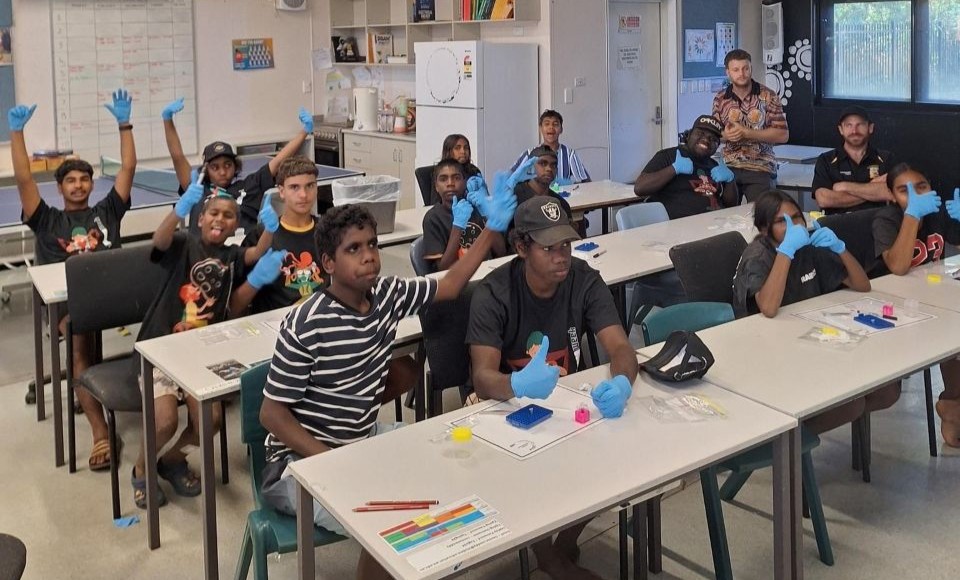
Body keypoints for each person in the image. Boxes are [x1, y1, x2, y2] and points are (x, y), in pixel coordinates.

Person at [258, 164, 520, 580]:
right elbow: (271, 415)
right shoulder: (307, 322)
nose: (369, 257)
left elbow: (449, 285)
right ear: (327, 262)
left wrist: (492, 227)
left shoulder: (387, 294)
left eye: (373, 246)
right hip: (296, 463)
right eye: (354, 249)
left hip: (360, 440)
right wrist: (332, 461)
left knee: (447, 464)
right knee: (387, 524)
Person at [466, 196, 639, 580]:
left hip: (563, 403)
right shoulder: (494, 292)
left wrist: (623, 382)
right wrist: (516, 383)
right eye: (549, 249)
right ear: (522, 247)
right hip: (501, 407)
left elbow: (621, 347)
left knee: (619, 459)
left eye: (566, 245)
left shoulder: (583, 279)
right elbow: (482, 377)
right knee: (526, 474)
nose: (562, 256)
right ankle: (547, 556)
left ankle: (562, 541)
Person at [130, 177, 283, 508]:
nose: (220, 219)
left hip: (201, 353)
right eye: (213, 212)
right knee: (166, 419)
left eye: (229, 215)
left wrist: (270, 228)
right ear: (199, 218)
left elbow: (257, 252)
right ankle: (142, 466)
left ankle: (171, 459)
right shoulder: (183, 244)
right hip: (160, 350)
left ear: (236, 225)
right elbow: (159, 239)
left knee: (210, 422)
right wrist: (176, 211)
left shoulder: (232, 255)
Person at [9, 91, 135, 472]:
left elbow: (127, 168)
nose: (78, 185)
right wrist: (16, 134)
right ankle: (100, 432)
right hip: (70, 304)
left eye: (84, 180)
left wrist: (124, 124)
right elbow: (22, 177)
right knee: (80, 351)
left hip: (112, 296)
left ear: (91, 186)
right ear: (60, 188)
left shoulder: (107, 211)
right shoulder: (46, 220)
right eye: (71, 181)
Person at [732, 190, 900, 434]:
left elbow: (862, 285)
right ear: (764, 230)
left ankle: (809, 421)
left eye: (797, 218)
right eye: (782, 222)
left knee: (887, 391)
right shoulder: (758, 256)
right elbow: (768, 308)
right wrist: (786, 252)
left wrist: (840, 248)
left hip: (811, 338)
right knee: (849, 406)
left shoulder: (807, 245)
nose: (793, 226)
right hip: (768, 352)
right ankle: (788, 439)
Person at [875, 163, 960, 446]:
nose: (914, 195)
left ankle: (952, 403)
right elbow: (898, 266)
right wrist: (912, 214)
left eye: (921, 187)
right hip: (891, 309)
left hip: (933, 299)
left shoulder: (936, 215)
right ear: (891, 197)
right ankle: (953, 406)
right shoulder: (886, 220)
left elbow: (955, 256)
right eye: (904, 190)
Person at [160, 98, 313, 233]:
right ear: (206, 170)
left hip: (242, 254)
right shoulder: (197, 189)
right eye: (215, 167)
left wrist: (304, 131)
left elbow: (279, 160)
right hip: (205, 255)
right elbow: (178, 156)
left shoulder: (250, 185)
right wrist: (167, 120)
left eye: (227, 165)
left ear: (235, 167)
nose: (222, 171)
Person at [712, 49, 789, 202]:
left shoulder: (768, 95)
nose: (742, 73)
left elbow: (782, 135)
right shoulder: (720, 98)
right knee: (722, 214)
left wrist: (747, 133)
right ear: (728, 72)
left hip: (760, 166)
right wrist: (726, 135)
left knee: (761, 214)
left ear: (751, 68)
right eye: (736, 70)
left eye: (745, 68)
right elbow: (714, 133)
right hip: (728, 165)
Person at [634, 114, 738, 219]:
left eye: (713, 139)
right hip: (677, 228)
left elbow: (731, 205)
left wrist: (730, 180)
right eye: (700, 134)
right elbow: (640, 188)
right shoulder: (668, 156)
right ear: (688, 136)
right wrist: (673, 169)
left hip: (715, 223)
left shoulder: (716, 166)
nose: (706, 140)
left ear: (717, 146)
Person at [421, 158, 506, 271]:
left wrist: (487, 214)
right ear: (436, 186)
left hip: (488, 273)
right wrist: (458, 226)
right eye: (443, 179)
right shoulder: (433, 218)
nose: (450, 183)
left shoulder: (476, 208)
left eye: (456, 178)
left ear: (465, 182)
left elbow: (501, 252)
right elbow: (443, 269)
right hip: (458, 281)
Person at [813, 106, 897, 215]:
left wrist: (844, 186)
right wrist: (873, 190)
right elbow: (823, 199)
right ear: (840, 129)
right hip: (836, 224)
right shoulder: (826, 160)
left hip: (876, 224)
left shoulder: (886, 159)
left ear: (870, 128)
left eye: (860, 125)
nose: (854, 131)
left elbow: (890, 192)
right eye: (849, 125)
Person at [511, 109, 591, 184]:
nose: (551, 127)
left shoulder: (569, 154)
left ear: (561, 129)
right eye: (547, 124)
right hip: (537, 198)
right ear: (540, 128)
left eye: (555, 124)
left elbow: (585, 181)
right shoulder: (530, 153)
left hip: (561, 197)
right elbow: (511, 177)